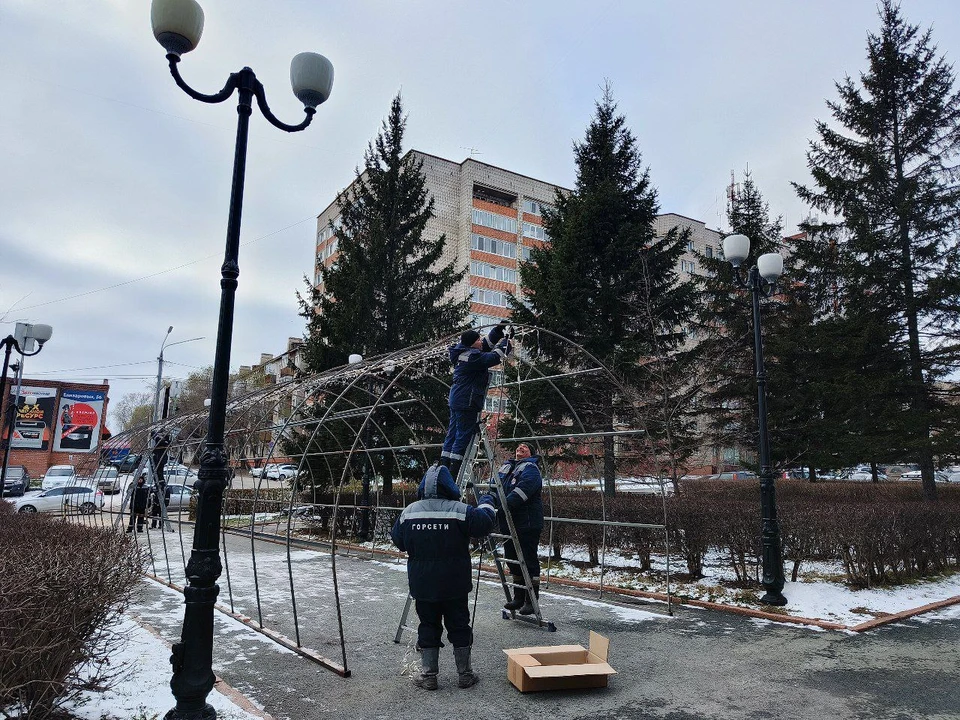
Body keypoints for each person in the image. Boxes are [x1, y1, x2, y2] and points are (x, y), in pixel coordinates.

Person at [391, 464, 497, 691]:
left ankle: (429, 676)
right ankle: (465, 675)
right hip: (455, 583)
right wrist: (488, 501)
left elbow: (398, 541)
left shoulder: (409, 512)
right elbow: (485, 523)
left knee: (428, 625)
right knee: (459, 625)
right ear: (449, 486)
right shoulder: (460, 510)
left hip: (423, 584)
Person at [440, 323, 511, 479]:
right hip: (467, 401)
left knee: (452, 434)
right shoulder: (472, 357)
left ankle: (443, 467)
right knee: (462, 436)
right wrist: (507, 340)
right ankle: (452, 473)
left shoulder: (464, 352)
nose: (481, 341)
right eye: (478, 339)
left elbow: (486, 346)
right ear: (472, 343)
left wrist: (498, 331)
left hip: (458, 399)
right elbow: (495, 356)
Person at [494, 443, 544, 615]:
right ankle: (518, 597)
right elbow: (495, 487)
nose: (520, 448)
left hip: (527, 522)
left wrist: (505, 505)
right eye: (519, 446)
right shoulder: (506, 468)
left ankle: (531, 600)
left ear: (531, 453)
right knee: (512, 559)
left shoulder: (531, 469)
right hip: (509, 522)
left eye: (525, 447)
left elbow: (524, 490)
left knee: (528, 560)